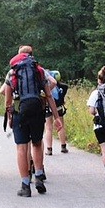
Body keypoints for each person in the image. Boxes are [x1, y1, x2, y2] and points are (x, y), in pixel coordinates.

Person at [4, 45, 62, 197]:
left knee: (22, 148)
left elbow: (7, 100)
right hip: (37, 111)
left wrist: (10, 117)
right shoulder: (39, 71)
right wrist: (56, 117)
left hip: (19, 113)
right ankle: (38, 177)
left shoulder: (12, 72)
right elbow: (49, 95)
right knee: (37, 143)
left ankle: (25, 185)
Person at [44, 70, 69, 155]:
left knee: (48, 128)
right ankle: (63, 146)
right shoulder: (63, 87)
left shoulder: (47, 86)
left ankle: (49, 149)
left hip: (48, 107)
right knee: (61, 126)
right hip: (59, 107)